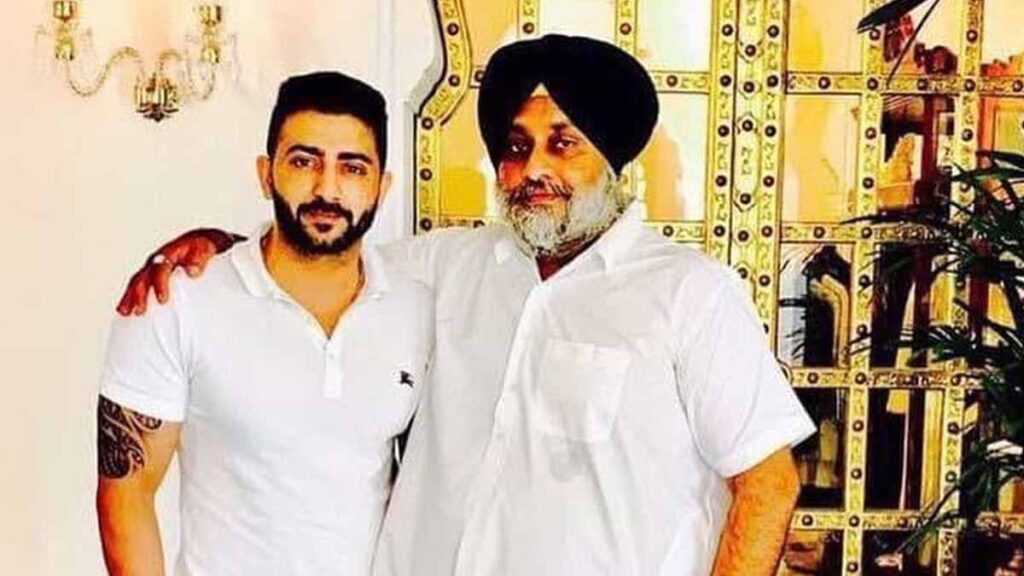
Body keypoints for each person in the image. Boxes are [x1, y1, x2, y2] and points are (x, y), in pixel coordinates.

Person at [117, 35, 815, 576]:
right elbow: (324, 250)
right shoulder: (449, 266)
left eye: (563, 143)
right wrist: (220, 247)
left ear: (611, 159)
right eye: (515, 147)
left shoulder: (689, 293)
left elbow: (767, 483)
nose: (534, 169)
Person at [96, 72, 433, 576]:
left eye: (352, 168)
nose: (327, 188)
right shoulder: (176, 301)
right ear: (266, 173)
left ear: (381, 188)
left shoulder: (417, 310)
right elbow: (127, 493)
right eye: (303, 161)